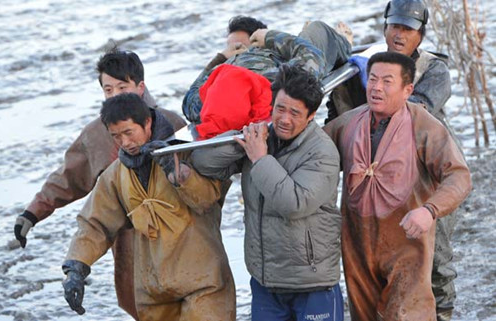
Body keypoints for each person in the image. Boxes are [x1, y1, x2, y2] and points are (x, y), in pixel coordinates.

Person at [13, 48, 187, 319]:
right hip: (128, 239)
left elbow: (208, 179)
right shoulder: (96, 134)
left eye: (123, 86)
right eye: (108, 89)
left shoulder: (175, 124)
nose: (116, 95)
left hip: (180, 236)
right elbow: (68, 177)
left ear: (140, 87)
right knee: (139, 305)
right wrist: (32, 212)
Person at [328, 2, 460, 319]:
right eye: (395, 26)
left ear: (421, 34)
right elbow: (336, 120)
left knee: (436, 259)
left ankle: (441, 315)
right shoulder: (361, 67)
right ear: (385, 27)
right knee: (371, 262)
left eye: (408, 29)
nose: (399, 34)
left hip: (425, 178)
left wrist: (375, 85)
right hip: (376, 183)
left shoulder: (433, 69)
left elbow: (417, 108)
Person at [61, 93, 235, 320]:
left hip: (204, 284)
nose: (124, 143)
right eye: (116, 136)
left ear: (147, 123)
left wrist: (182, 176)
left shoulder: (187, 152)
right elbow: (95, 224)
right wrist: (76, 268)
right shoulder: (115, 176)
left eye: (128, 133)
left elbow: (210, 199)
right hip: (153, 293)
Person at [192, 65, 343, 321]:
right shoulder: (261, 138)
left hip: (312, 283)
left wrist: (260, 158)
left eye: (295, 113)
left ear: (311, 116)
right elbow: (204, 163)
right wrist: (240, 140)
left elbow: (294, 204)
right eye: (280, 109)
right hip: (265, 281)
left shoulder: (323, 153)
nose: (284, 119)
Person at [182, 16, 332, 124]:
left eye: (242, 46)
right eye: (230, 47)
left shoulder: (271, 77)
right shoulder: (217, 85)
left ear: (260, 46)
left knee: (314, 31)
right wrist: (221, 59)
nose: (236, 51)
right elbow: (313, 59)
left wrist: (220, 60)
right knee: (314, 32)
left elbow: (190, 104)